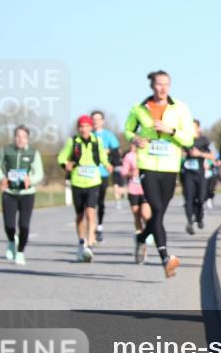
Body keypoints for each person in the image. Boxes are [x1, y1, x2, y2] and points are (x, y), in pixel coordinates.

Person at [124, 70, 195, 279]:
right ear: (152, 86)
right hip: (147, 165)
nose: (162, 88)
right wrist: (135, 139)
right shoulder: (139, 109)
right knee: (155, 208)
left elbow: (189, 140)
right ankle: (165, 258)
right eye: (159, 84)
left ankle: (140, 239)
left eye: (166, 84)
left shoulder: (180, 108)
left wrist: (170, 130)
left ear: (170, 86)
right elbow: (127, 130)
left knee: (158, 215)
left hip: (170, 167)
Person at [57, 115, 112, 262]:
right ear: (78, 128)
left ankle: (90, 242)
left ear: (90, 127)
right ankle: (82, 241)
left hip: (93, 181)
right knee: (80, 215)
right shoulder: (72, 142)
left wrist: (107, 164)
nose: (84, 129)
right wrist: (65, 165)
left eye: (87, 126)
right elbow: (61, 157)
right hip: (78, 182)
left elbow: (102, 156)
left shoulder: (97, 141)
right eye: (81, 126)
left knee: (91, 211)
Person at [0, 125, 44, 265]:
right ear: (14, 137)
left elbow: (39, 173)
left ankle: (20, 252)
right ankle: (11, 240)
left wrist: (31, 180)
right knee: (9, 225)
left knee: (24, 225)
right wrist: (1, 178)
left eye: (23, 137)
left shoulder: (34, 153)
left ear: (27, 138)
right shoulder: (6, 151)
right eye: (17, 136)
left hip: (27, 193)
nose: (20, 139)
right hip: (9, 192)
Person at [91, 110, 121, 242]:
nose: (95, 121)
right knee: (90, 204)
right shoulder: (87, 135)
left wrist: (109, 155)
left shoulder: (108, 136)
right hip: (88, 174)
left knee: (100, 202)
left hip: (103, 173)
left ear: (102, 121)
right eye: (93, 119)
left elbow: (116, 153)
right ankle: (91, 229)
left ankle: (100, 226)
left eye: (98, 119)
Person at [181, 119, 215, 235]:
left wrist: (199, 154)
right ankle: (189, 222)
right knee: (188, 199)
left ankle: (199, 218)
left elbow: (212, 156)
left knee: (200, 199)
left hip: (200, 174)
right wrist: (183, 154)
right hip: (188, 174)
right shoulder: (185, 140)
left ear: (198, 128)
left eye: (193, 127)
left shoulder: (204, 140)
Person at [120, 145, 151, 263]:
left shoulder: (148, 153)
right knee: (136, 215)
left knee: (146, 215)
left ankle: (149, 231)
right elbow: (123, 172)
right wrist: (131, 173)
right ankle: (141, 244)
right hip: (133, 190)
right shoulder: (129, 156)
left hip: (146, 189)